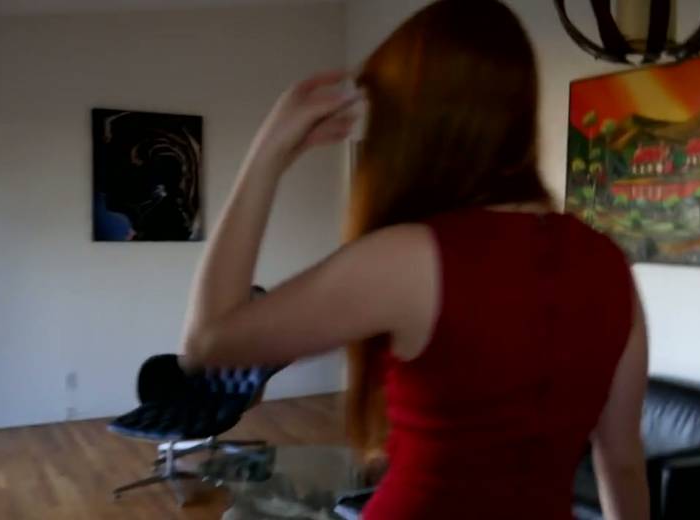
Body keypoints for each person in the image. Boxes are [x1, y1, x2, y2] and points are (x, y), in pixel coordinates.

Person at [180, 1, 649, 518]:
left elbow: (207, 344)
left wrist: (266, 155)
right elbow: (622, 461)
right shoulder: (609, 264)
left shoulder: (414, 257)